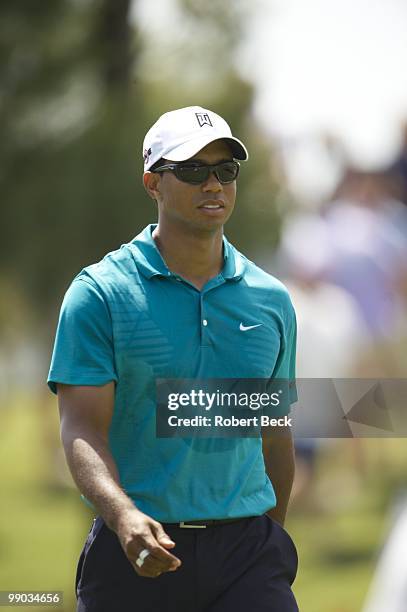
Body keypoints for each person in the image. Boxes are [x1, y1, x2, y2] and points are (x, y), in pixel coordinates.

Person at [48, 106, 299, 611]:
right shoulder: (100, 293)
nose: (213, 185)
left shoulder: (270, 300)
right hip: (135, 547)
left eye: (225, 171)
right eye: (191, 170)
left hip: (248, 555)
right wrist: (123, 518)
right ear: (152, 182)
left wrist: (272, 538)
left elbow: (275, 429)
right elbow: (81, 429)